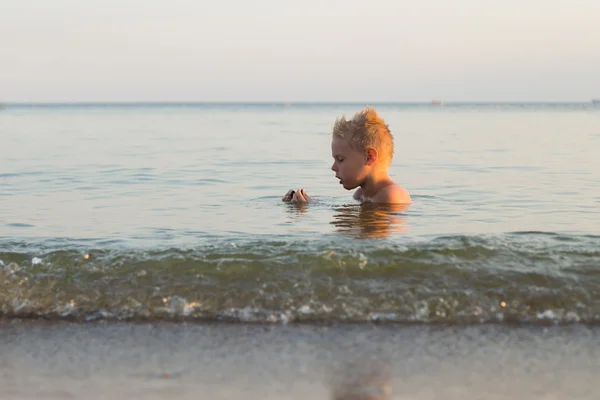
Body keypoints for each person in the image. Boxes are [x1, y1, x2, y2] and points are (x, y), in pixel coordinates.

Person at [282, 106, 411, 204]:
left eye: (340, 159)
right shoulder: (360, 195)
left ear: (369, 157)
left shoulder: (391, 195)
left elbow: (374, 236)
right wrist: (306, 203)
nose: (333, 167)